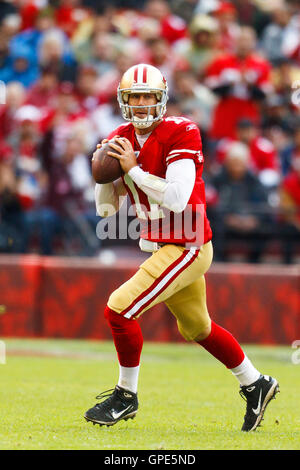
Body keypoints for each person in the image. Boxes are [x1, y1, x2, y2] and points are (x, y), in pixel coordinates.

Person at [84, 63, 279, 432]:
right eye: (134, 97)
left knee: (119, 310)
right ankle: (256, 383)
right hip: (162, 245)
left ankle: (125, 396)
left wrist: (132, 168)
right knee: (197, 327)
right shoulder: (120, 137)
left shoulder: (181, 130)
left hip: (187, 242)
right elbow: (106, 209)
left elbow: (176, 198)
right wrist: (103, 173)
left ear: (162, 98)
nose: (141, 104)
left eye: (148, 96)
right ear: (123, 101)